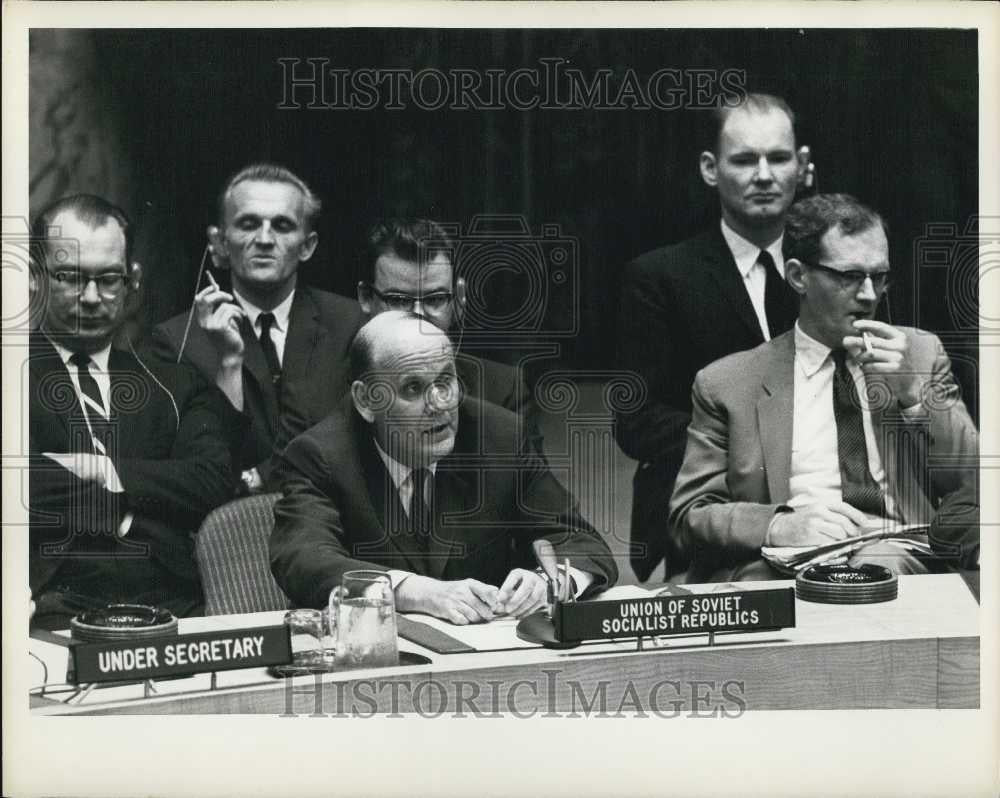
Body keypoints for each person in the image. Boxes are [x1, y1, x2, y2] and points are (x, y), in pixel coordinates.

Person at [667, 193, 979, 583]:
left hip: (897, 553)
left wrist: (916, 396)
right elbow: (689, 516)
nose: (869, 295)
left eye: (879, 276)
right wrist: (778, 526)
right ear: (798, 276)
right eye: (849, 277)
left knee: (884, 568)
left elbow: (977, 483)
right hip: (784, 562)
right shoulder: (727, 383)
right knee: (759, 584)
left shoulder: (918, 354)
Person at [270, 311, 617, 624]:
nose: (439, 404)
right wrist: (416, 592)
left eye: (445, 381)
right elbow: (304, 559)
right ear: (366, 400)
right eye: (412, 388)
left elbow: (581, 542)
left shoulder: (498, 437)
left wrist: (548, 583)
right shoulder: (320, 456)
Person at [615, 93, 813, 582]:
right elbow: (637, 422)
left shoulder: (834, 274)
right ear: (710, 168)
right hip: (703, 514)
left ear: (803, 165)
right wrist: (752, 443)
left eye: (779, 158)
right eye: (744, 160)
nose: (763, 175)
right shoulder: (660, 277)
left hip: (820, 505)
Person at [28, 194, 240, 629]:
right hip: (50, 608)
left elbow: (213, 480)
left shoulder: (176, 382)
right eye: (69, 277)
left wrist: (103, 469)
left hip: (174, 605)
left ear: (132, 282)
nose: (90, 297)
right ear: (35, 277)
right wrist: (138, 503)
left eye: (108, 279)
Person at [152, 163, 363, 492]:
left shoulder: (350, 324)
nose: (264, 240)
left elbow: (353, 440)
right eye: (248, 224)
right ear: (221, 242)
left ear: (307, 245)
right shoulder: (176, 341)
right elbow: (199, 463)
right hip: (224, 530)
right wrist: (229, 362)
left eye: (282, 226)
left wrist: (263, 475)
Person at [358, 218, 534, 418]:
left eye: (435, 299)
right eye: (398, 300)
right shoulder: (326, 384)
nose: (418, 317)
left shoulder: (503, 393)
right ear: (366, 298)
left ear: (459, 300)